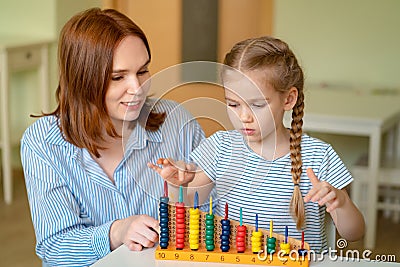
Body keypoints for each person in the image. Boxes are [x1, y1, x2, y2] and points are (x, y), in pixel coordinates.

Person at [20, 8, 205, 267]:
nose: (137, 89)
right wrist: (115, 233)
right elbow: (55, 248)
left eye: (142, 72)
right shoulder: (43, 142)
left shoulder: (178, 123)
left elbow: (215, 221)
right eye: (118, 77)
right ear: (83, 80)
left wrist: (193, 190)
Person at [149, 36, 365, 252]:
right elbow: (187, 204)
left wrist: (342, 202)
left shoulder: (319, 155)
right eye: (233, 104)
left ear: (288, 99)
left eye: (257, 104)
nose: (244, 116)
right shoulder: (220, 147)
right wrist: (176, 184)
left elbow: (354, 233)